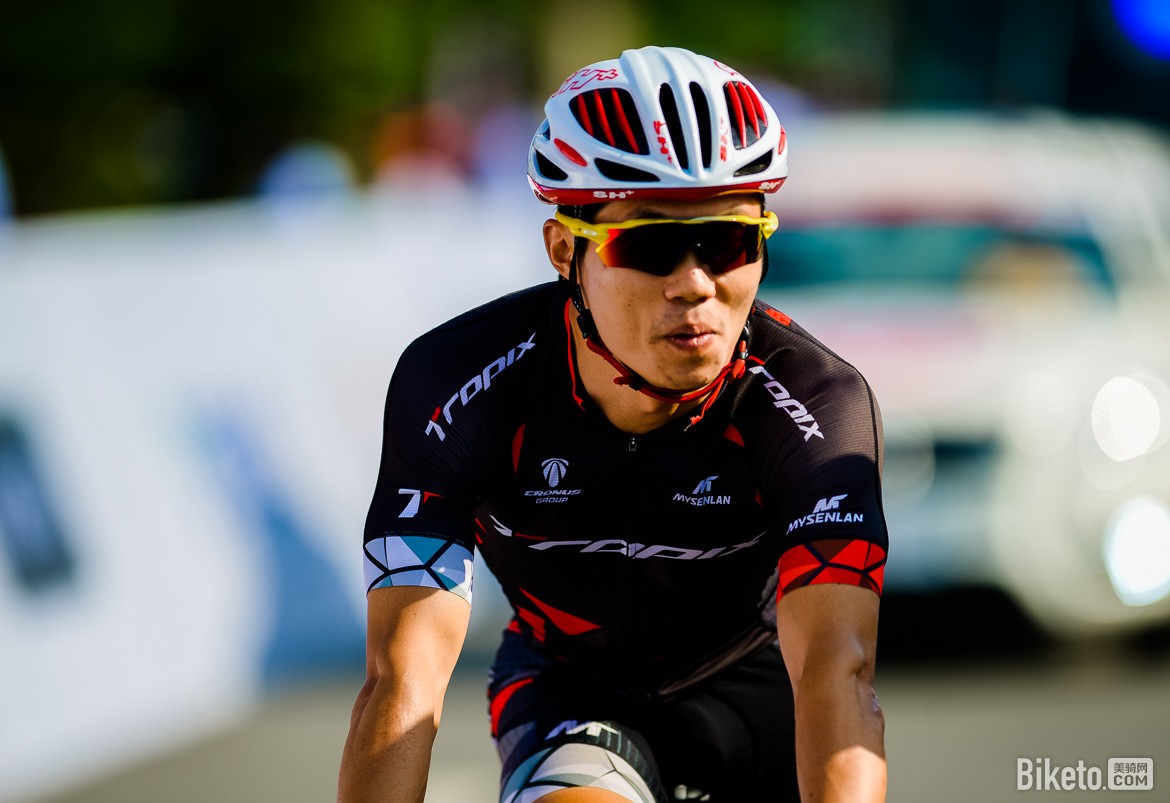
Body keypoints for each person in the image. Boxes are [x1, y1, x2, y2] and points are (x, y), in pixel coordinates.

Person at [338, 45, 888, 803]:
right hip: (572, 693)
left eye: (728, 240)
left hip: (773, 701)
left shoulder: (814, 400)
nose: (694, 283)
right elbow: (403, 679)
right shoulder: (458, 384)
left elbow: (838, 670)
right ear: (564, 250)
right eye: (650, 244)